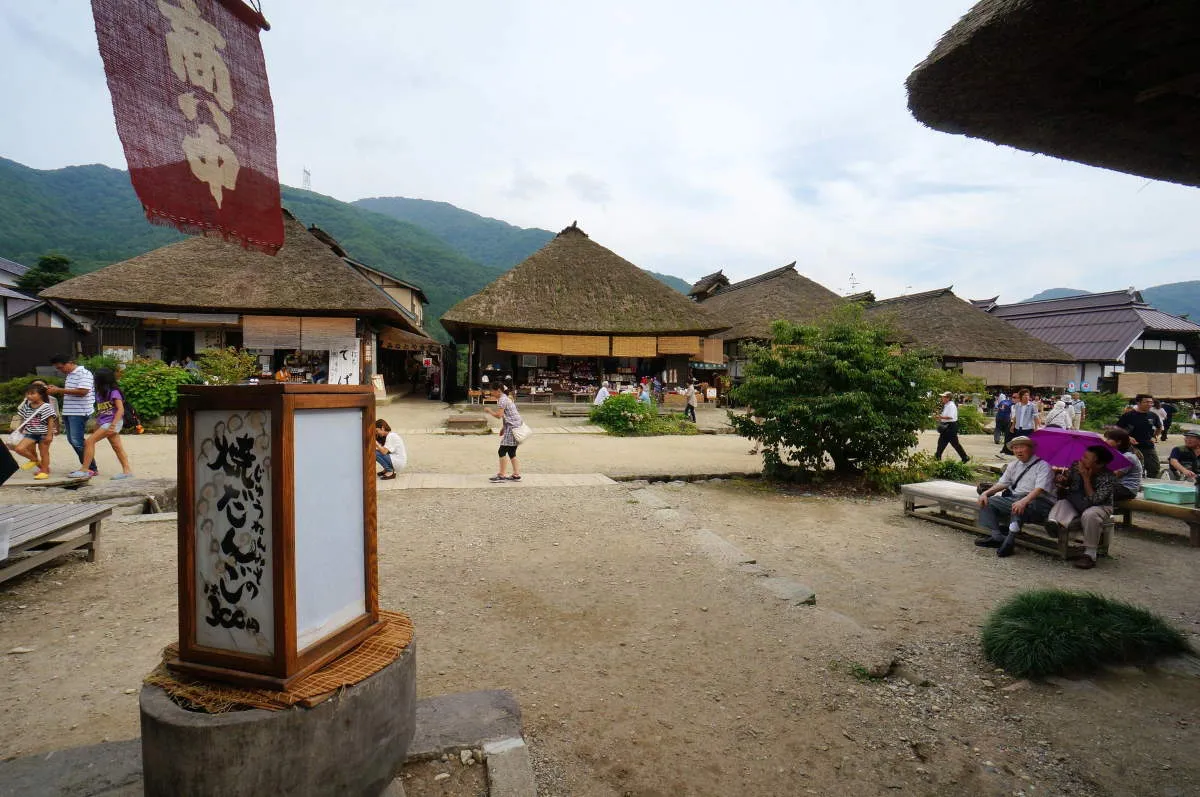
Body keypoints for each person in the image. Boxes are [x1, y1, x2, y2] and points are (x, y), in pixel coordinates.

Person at [975, 436, 1055, 557]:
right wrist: (985, 493)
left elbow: (1039, 489)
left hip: (1039, 502)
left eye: (1022, 447)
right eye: (1015, 448)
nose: (1018, 451)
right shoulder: (1013, 465)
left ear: (1031, 449)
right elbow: (1003, 483)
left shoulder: (1043, 465)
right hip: (1016, 499)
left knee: (1018, 506)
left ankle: (1009, 541)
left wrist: (1024, 501)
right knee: (988, 502)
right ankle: (997, 537)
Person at [1045, 444, 1118, 570]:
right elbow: (1068, 482)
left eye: (1086, 458)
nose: (1081, 459)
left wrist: (1086, 478)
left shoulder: (1108, 477)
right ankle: (1054, 526)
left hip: (1099, 506)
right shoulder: (1075, 465)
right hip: (1075, 501)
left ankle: (1089, 554)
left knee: (1090, 514)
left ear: (1099, 464)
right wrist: (1062, 479)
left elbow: (1094, 500)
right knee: (1062, 503)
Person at [68, 368, 134, 480]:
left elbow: (120, 410)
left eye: (95, 377)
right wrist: (97, 424)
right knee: (117, 447)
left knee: (89, 442)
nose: (94, 379)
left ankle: (85, 470)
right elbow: (101, 411)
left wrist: (113, 425)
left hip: (112, 422)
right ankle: (127, 471)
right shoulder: (100, 393)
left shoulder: (114, 392)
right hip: (105, 422)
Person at [47, 354, 97, 475]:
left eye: (60, 367)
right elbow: (72, 392)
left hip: (79, 411)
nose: (60, 370)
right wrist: (56, 389)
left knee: (76, 440)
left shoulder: (84, 373)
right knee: (73, 440)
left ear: (69, 362)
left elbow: (83, 391)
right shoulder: (70, 375)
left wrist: (59, 390)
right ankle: (89, 467)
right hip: (70, 411)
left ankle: (90, 468)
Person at [10, 383, 57, 480]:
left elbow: (50, 421)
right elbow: (23, 418)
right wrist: (20, 430)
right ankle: (34, 460)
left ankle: (44, 471)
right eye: (28, 394)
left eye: (32, 394)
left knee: (44, 453)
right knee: (19, 449)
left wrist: (49, 435)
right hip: (30, 433)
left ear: (41, 395)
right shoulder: (27, 405)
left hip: (43, 434)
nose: (29, 396)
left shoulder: (46, 406)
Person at [485, 383, 523, 482]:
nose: (491, 392)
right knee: (511, 452)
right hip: (516, 427)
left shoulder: (502, 400)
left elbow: (499, 415)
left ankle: (501, 475)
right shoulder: (506, 398)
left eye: (492, 391)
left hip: (512, 428)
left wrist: (489, 411)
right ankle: (516, 474)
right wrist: (503, 428)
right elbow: (508, 416)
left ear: (498, 390)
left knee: (501, 451)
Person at [1117, 394, 1161, 478]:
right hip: (1131, 447)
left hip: (1148, 446)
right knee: (1134, 469)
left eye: (1151, 402)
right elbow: (1117, 429)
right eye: (1146, 402)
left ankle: (1151, 486)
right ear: (1138, 403)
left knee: (1154, 468)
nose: (1149, 404)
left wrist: (1154, 436)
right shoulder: (1128, 415)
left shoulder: (1153, 415)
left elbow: (1159, 427)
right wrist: (1128, 437)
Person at [1103, 427, 1142, 500]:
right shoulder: (1116, 454)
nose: (1105, 441)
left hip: (1127, 489)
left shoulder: (1128, 457)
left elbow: (1114, 475)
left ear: (1119, 442)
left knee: (1097, 492)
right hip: (1117, 486)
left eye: (1108, 439)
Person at [934, 392, 969, 463]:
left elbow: (950, 416)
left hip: (950, 427)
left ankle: (965, 457)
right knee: (942, 442)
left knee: (954, 443)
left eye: (943, 397)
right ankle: (937, 457)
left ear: (948, 398)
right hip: (946, 426)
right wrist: (940, 418)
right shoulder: (947, 405)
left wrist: (940, 417)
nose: (942, 398)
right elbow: (946, 416)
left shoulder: (951, 405)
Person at [1007, 389, 1039, 455]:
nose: (1026, 397)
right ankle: (1021, 456)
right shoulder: (1017, 405)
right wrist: (1013, 426)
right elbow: (1016, 416)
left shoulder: (1032, 405)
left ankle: (1028, 456)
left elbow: (1036, 417)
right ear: (1021, 396)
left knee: (1027, 444)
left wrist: (1036, 427)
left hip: (1028, 428)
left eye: (1028, 395)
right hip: (1018, 427)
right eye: (1025, 395)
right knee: (1019, 443)